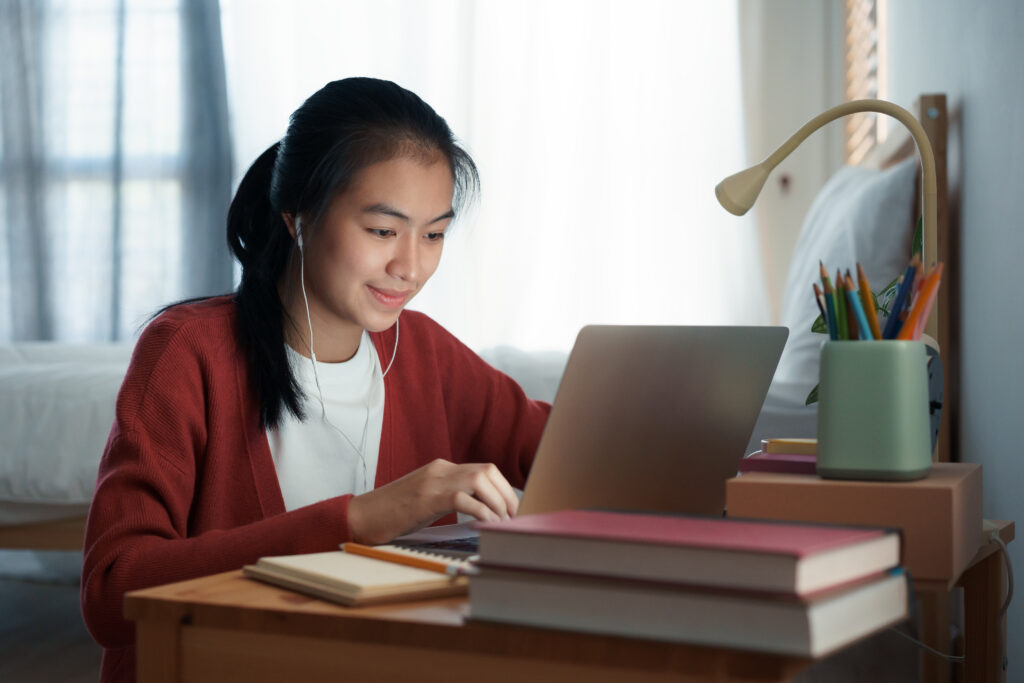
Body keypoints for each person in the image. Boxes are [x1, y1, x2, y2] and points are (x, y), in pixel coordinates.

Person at [80, 77, 551, 682]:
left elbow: (560, 450)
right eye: (382, 231)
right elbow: (112, 590)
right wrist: (357, 521)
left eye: (434, 234)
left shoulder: (425, 351)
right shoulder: (187, 351)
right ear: (298, 216)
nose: (410, 267)